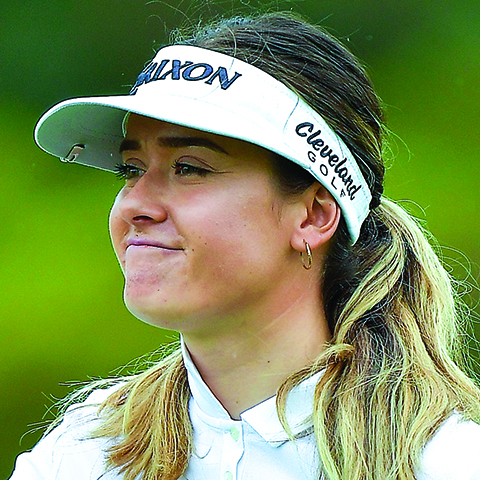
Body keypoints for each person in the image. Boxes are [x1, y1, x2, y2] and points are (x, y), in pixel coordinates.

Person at [9, 11, 480, 480]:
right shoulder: (83, 454)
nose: (135, 205)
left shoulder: (445, 463)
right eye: (131, 170)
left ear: (314, 215)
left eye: (189, 168)